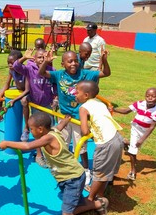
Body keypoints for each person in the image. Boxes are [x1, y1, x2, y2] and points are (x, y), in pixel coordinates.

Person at [0, 112, 109, 215]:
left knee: (67, 214)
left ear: (40, 129)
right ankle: (100, 203)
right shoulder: (53, 131)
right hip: (68, 176)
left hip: (73, 178)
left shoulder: (48, 138)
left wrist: (7, 143)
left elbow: (28, 145)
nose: (31, 132)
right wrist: (65, 121)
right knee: (76, 202)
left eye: (32, 129)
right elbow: (60, 126)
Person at [38, 49, 111, 185]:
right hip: (64, 117)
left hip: (79, 118)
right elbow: (41, 73)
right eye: (70, 61)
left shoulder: (86, 74)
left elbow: (106, 73)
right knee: (62, 144)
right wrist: (46, 63)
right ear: (63, 63)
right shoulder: (59, 74)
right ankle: (64, 168)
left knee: (81, 146)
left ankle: (86, 169)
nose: (73, 64)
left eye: (76, 61)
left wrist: (104, 60)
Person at [75, 80, 123, 201]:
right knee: (106, 170)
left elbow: (85, 131)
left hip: (106, 143)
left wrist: (86, 128)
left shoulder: (83, 108)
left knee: (99, 173)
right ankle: (100, 195)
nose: (74, 94)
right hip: (117, 137)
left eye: (77, 92)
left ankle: (90, 199)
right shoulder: (99, 103)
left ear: (86, 95)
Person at [14, 48, 55, 167]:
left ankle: (49, 153)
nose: (42, 59)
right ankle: (38, 155)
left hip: (47, 105)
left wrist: (54, 97)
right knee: (38, 132)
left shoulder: (51, 70)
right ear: (35, 59)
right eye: (39, 57)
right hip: (36, 105)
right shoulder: (29, 69)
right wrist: (24, 58)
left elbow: (55, 84)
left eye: (44, 57)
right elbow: (16, 66)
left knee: (49, 130)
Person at [113, 87, 156, 181]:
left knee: (135, 144)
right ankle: (133, 171)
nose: (150, 98)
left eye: (153, 96)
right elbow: (126, 111)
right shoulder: (139, 104)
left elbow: (152, 127)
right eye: (147, 96)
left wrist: (142, 139)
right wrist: (114, 110)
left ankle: (126, 143)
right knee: (133, 150)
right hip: (135, 127)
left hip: (144, 131)